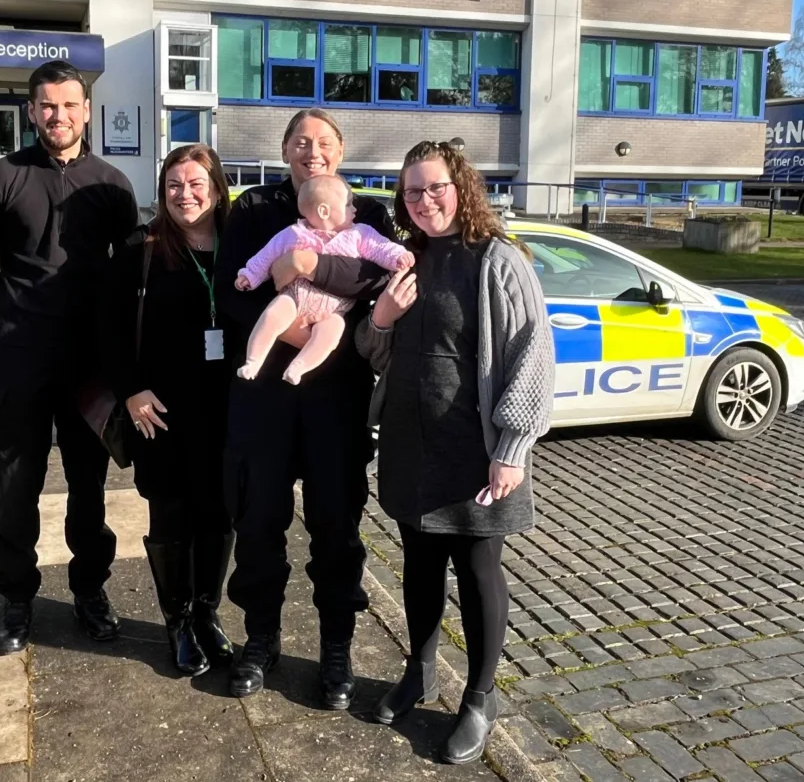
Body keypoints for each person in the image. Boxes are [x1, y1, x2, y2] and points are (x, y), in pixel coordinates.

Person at [355, 141, 554, 764]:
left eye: (434, 187)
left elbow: (533, 354)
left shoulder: (498, 260)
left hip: (475, 450)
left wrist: (514, 447)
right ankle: (420, 671)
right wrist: (381, 318)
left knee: (476, 569)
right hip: (412, 447)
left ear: (460, 187)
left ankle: (480, 696)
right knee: (418, 564)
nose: (424, 200)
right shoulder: (404, 260)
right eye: (412, 191)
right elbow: (372, 349)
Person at [0, 60, 140, 656]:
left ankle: (90, 591)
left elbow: (128, 268)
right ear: (32, 111)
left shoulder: (112, 184)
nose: (58, 116)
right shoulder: (3, 175)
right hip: (22, 356)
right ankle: (16, 599)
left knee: (89, 487)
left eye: (69, 105)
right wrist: (16, 296)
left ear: (87, 110)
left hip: (89, 364)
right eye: (47, 106)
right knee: (16, 484)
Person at [214, 109, 394, 708]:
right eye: (299, 141)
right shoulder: (255, 209)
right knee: (258, 519)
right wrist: (290, 326)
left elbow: (376, 284)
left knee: (336, 525)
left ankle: (336, 648)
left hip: (336, 397)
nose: (310, 151)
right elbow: (229, 294)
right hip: (263, 395)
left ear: (340, 151)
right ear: (285, 150)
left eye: (322, 142)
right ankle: (261, 638)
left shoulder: (367, 212)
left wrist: (311, 267)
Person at [102, 143, 235, 676]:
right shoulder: (142, 246)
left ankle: (207, 612)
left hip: (226, 410)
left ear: (218, 187)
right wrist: (131, 390)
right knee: (172, 515)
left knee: (219, 515)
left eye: (197, 183)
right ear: (162, 192)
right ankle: (176, 620)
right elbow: (108, 330)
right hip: (160, 412)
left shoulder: (241, 245)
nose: (186, 194)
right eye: (175, 185)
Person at [234, 175, 413, 385]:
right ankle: (253, 360)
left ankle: (299, 367)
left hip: (334, 309)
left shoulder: (360, 234)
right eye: (348, 204)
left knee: (332, 331)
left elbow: (380, 247)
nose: (355, 209)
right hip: (295, 296)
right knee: (273, 315)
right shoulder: (295, 233)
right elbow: (267, 255)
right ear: (324, 211)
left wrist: (397, 256)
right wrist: (250, 274)